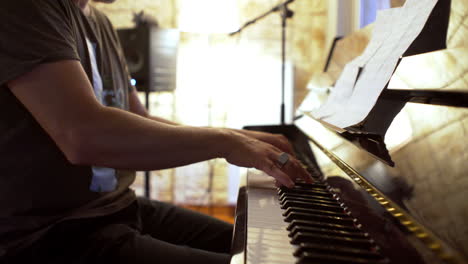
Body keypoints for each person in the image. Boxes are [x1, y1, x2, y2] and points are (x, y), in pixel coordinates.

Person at [0, 0, 312, 263]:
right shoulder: (26, 7)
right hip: (51, 234)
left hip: (117, 207)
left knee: (270, 249)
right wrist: (224, 142)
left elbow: (139, 118)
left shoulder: (100, 23)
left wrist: (236, 137)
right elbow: (82, 136)